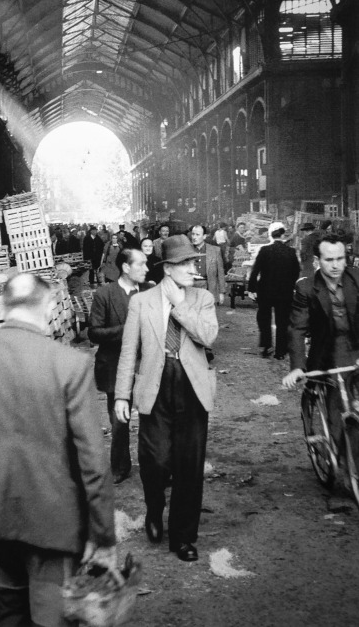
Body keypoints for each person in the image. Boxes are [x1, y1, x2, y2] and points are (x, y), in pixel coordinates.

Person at [0, 272, 116, 626]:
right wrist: (103, 534)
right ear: (47, 306)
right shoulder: (70, 364)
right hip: (53, 522)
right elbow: (91, 458)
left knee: (6, 612)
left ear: (4, 306)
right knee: (49, 615)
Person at [115, 235, 218, 563]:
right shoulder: (141, 302)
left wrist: (180, 304)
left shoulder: (202, 298)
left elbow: (208, 336)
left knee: (189, 466)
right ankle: (154, 509)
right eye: (186, 263)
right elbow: (129, 351)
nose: (193, 268)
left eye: (193, 261)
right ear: (168, 269)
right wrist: (122, 395)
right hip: (154, 388)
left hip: (191, 388)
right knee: (155, 461)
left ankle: (184, 537)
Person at [283, 235, 359, 444]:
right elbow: (297, 328)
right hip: (329, 354)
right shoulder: (306, 288)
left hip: (357, 348)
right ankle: (342, 458)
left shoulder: (356, 279)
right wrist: (297, 367)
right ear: (317, 261)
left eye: (340, 259)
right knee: (339, 412)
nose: (335, 266)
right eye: (329, 260)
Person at [88, 248, 152, 484]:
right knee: (119, 421)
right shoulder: (105, 294)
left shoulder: (149, 291)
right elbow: (94, 332)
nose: (146, 268)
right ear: (126, 267)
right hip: (115, 366)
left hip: (146, 366)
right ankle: (120, 467)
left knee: (151, 419)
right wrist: (126, 330)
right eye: (141, 264)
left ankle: (153, 467)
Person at [247, 222, 300, 360]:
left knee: (264, 319)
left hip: (265, 291)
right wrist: (291, 285)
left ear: (271, 236)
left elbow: (255, 270)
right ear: (283, 236)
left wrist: (251, 288)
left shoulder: (264, 251)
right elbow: (296, 272)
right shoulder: (291, 252)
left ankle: (266, 345)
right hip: (285, 292)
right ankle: (281, 351)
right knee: (283, 321)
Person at [189, 224, 226, 305]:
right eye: (193, 234)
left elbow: (220, 272)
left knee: (206, 315)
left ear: (204, 236)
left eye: (197, 235)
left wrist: (221, 292)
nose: (194, 237)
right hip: (189, 288)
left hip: (208, 287)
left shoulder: (215, 250)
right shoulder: (186, 250)